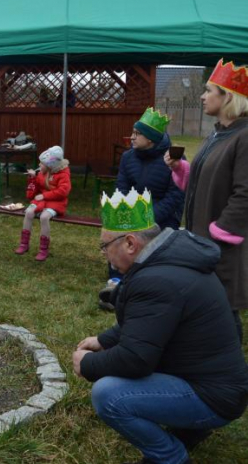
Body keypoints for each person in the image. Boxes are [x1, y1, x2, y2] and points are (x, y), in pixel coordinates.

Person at [73, 188, 248, 464]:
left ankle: (170, 456)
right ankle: (190, 426)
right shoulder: (172, 259)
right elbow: (150, 325)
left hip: (214, 397)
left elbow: (136, 359)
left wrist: (87, 364)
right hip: (219, 384)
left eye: (105, 246)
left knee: (108, 395)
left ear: (130, 243)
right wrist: (103, 340)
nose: (105, 255)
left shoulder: (155, 281)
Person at [165, 58, 248, 335]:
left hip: (222, 245)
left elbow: (245, 193)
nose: (202, 96)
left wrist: (220, 232)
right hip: (202, 240)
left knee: (224, 309)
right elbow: (205, 179)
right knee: (208, 309)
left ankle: (232, 375)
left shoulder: (244, 137)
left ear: (228, 97)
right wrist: (182, 169)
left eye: (209, 90)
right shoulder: (217, 134)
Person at [98, 108, 184, 310]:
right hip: (133, 212)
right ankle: (115, 282)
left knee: (147, 244)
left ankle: (144, 287)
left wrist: (148, 217)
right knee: (117, 235)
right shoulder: (128, 157)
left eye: (137, 134)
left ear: (151, 139)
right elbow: (122, 186)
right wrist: (126, 214)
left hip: (162, 217)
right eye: (133, 133)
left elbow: (176, 195)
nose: (132, 137)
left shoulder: (173, 159)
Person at [14, 146, 71, 262]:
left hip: (56, 202)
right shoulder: (41, 173)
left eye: (42, 163)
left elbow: (63, 192)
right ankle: (24, 244)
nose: (39, 165)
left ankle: (43, 249)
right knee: (29, 212)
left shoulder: (63, 174)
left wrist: (44, 196)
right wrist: (32, 179)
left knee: (44, 217)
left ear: (50, 166)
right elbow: (31, 195)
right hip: (42, 201)